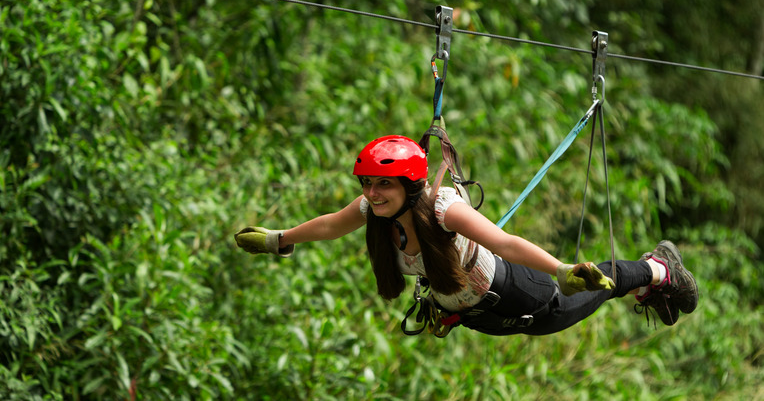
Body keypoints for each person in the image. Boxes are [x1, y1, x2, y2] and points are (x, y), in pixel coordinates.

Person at [236, 135, 698, 336]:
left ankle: (657, 269)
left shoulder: (443, 209)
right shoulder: (374, 213)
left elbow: (504, 243)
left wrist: (560, 270)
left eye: (383, 185)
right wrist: (280, 238)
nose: (372, 194)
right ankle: (646, 281)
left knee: (584, 295)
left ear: (408, 186)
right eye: (368, 184)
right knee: (579, 301)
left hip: (516, 289)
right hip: (474, 312)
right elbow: (331, 224)